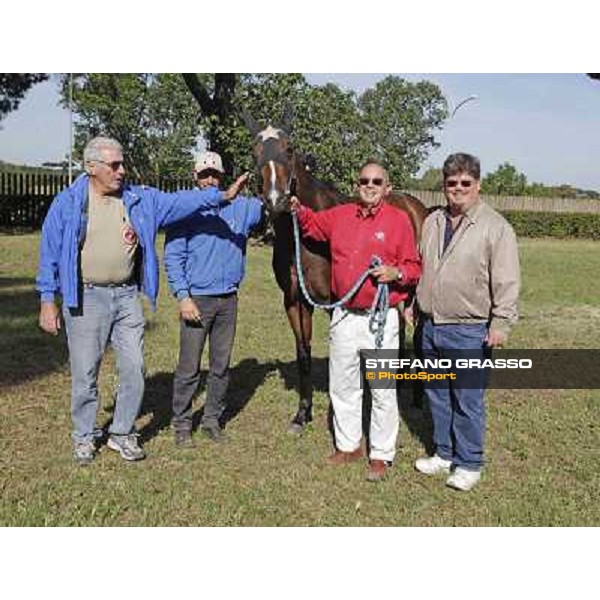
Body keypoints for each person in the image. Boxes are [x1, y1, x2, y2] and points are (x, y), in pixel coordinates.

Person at [37, 137, 248, 465]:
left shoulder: (139, 199)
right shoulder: (67, 203)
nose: (123, 171)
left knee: (135, 367)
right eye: (114, 165)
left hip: (125, 295)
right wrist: (48, 300)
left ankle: (121, 433)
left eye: (123, 164)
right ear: (91, 167)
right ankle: (84, 435)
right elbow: (49, 252)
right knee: (85, 370)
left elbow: (180, 203)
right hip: (86, 296)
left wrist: (219, 196)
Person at [290, 160, 421, 482]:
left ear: (387, 188)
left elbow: (415, 268)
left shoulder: (399, 221)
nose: (370, 185)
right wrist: (297, 208)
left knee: (382, 389)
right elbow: (311, 225)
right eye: (364, 180)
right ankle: (349, 445)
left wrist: (396, 273)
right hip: (345, 315)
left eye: (377, 181)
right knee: (343, 384)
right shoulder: (340, 216)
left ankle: (381, 454)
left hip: (380, 318)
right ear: (356, 185)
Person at [414, 152, 520, 491]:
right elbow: (422, 265)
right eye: (451, 183)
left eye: (465, 183)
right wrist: (415, 305)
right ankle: (444, 453)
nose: (457, 189)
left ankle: (469, 462)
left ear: (477, 185)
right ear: (444, 186)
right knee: (437, 395)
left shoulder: (496, 227)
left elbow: (507, 280)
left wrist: (501, 322)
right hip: (430, 326)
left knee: (467, 399)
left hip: (469, 329)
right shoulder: (433, 222)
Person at [165, 151, 263, 446]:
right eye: (204, 174)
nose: (210, 179)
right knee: (189, 366)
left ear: (223, 177)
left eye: (215, 175)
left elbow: (272, 202)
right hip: (198, 299)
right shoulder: (185, 210)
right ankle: (182, 423)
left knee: (221, 365)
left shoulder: (243, 207)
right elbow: (173, 257)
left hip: (228, 298)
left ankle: (211, 420)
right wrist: (183, 297)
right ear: (195, 177)